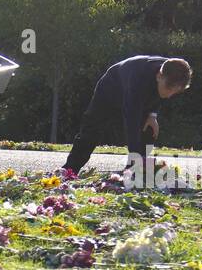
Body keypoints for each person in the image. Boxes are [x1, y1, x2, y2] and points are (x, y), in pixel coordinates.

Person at [61, 56, 193, 182]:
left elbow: (158, 95)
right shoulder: (139, 80)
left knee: (149, 129)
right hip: (111, 88)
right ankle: (69, 171)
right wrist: (136, 154)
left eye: (174, 92)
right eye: (169, 89)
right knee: (92, 130)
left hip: (140, 91)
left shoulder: (173, 71)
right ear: (159, 76)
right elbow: (132, 121)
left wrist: (153, 115)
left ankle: (133, 173)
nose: (170, 95)